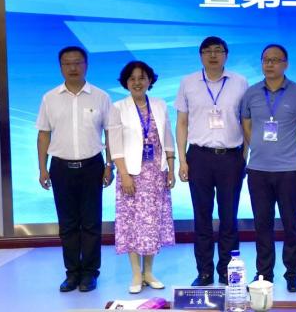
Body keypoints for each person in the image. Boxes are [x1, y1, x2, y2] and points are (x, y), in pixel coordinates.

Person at [36, 46, 113, 293]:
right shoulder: (50, 98)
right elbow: (43, 134)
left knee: (91, 223)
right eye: (67, 63)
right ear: (60, 67)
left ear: (86, 65)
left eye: (78, 62)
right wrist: (42, 168)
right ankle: (72, 273)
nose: (73, 67)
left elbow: (111, 133)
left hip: (92, 166)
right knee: (67, 224)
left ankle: (89, 273)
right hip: (60, 168)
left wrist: (109, 165)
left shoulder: (101, 96)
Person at [174, 36, 249, 286]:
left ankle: (228, 271)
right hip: (199, 157)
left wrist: (244, 155)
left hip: (231, 157)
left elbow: (246, 122)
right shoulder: (188, 82)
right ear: (201, 56)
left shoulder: (240, 82)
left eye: (218, 50)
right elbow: (182, 123)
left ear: (226, 54)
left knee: (229, 217)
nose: (213, 55)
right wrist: (182, 160)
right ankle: (204, 272)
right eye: (207, 51)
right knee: (202, 217)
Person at [242, 44, 296, 293]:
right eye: (266, 60)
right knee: (262, 224)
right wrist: (257, 146)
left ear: (286, 64)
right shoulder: (251, 92)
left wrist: (294, 151)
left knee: (291, 224)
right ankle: (264, 273)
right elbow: (246, 123)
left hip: (288, 170)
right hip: (258, 169)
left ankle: (292, 273)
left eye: (275, 60)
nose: (270, 64)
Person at [108, 60, 176, 294]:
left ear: (150, 81)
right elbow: (115, 145)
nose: (137, 82)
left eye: (142, 78)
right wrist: (124, 174)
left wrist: (170, 166)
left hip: (156, 174)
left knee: (152, 223)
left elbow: (167, 137)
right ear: (126, 82)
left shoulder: (159, 104)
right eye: (132, 78)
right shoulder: (118, 107)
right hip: (131, 174)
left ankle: (149, 272)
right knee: (132, 223)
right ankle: (136, 273)